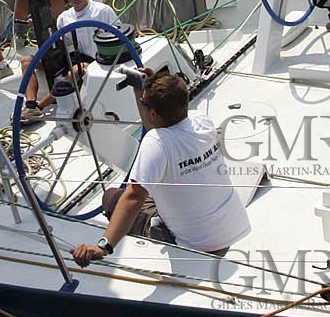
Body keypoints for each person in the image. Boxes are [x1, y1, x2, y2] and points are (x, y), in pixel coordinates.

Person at [71, 70, 250, 264]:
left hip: (195, 247)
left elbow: (133, 198)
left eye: (144, 103)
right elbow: (164, 118)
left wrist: (103, 247)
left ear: (154, 113)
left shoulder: (156, 142)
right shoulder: (202, 121)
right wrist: (151, 87)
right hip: (231, 230)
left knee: (111, 197)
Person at [19, 0, 124, 121]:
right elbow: (60, 44)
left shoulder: (103, 11)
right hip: (71, 58)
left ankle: (39, 107)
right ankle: (30, 104)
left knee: (75, 70)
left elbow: (120, 35)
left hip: (95, 61)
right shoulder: (63, 18)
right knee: (26, 61)